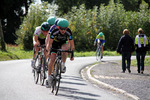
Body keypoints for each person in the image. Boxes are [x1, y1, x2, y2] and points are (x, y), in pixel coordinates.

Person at [46, 18, 75, 87]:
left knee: (65, 49)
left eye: (65, 29)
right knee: (52, 59)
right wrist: (48, 51)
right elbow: (49, 43)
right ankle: (49, 77)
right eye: (61, 29)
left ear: (67, 28)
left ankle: (63, 64)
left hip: (63, 43)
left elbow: (72, 44)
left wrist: (72, 54)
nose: (63, 30)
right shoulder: (54, 31)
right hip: (55, 44)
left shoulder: (68, 32)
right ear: (58, 27)